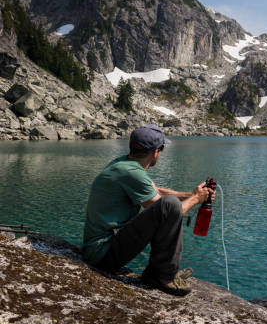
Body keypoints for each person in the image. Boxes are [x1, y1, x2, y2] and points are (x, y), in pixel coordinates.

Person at [82, 124, 214, 296]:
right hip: (102, 254)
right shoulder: (132, 173)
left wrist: (193, 194)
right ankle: (162, 276)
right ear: (156, 152)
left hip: (99, 248)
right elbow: (169, 211)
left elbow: (156, 192)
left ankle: (158, 272)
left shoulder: (124, 164)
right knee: (171, 205)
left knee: (169, 203)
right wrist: (196, 199)